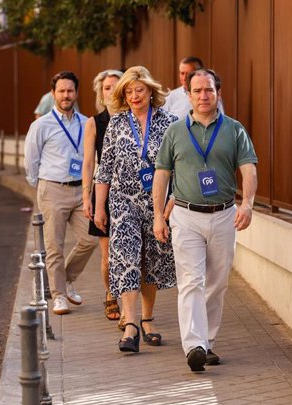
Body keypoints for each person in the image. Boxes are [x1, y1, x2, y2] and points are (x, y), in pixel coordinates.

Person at [153, 69, 257, 372]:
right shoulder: (174, 131)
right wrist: (160, 215)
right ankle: (194, 345)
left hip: (224, 215)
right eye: (197, 90)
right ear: (188, 95)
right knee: (190, 281)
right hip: (185, 216)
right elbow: (162, 174)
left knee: (218, 282)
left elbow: (248, 168)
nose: (203, 95)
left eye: (208, 90)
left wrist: (247, 204)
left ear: (218, 93)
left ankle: (208, 342)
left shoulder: (234, 129)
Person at [94, 66, 178, 353]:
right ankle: (130, 327)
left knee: (150, 261)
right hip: (122, 201)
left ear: (151, 91)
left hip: (157, 204)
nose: (133, 96)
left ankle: (148, 319)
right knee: (127, 259)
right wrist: (98, 208)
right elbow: (104, 170)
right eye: (128, 92)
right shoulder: (117, 124)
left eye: (139, 90)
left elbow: (179, 168)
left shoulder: (170, 122)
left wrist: (169, 204)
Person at [24, 71, 98, 315]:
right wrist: (42, 188)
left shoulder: (86, 122)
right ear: (53, 93)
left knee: (90, 239)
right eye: (61, 91)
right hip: (53, 189)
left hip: (81, 190)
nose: (66, 95)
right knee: (54, 246)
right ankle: (58, 296)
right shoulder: (41, 125)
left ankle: (66, 279)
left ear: (76, 93)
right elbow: (31, 161)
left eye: (70, 91)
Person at [81, 69, 123, 322]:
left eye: (116, 86)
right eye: (107, 87)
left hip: (132, 192)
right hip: (102, 193)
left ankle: (129, 308)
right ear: (101, 92)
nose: (112, 91)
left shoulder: (134, 118)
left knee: (131, 254)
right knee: (108, 257)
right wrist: (87, 197)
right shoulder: (94, 122)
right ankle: (110, 294)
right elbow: (88, 162)